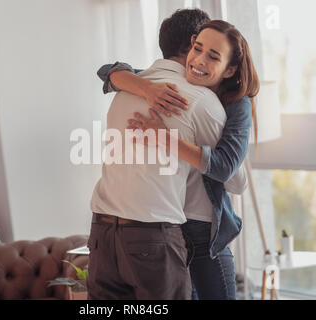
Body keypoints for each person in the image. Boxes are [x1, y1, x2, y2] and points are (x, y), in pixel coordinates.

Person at [88, 9, 248, 300]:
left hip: (102, 230)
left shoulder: (123, 91)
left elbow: (109, 71)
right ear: (192, 43)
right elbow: (235, 180)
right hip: (154, 233)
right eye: (200, 48)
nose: (201, 60)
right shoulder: (201, 101)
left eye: (213, 55)